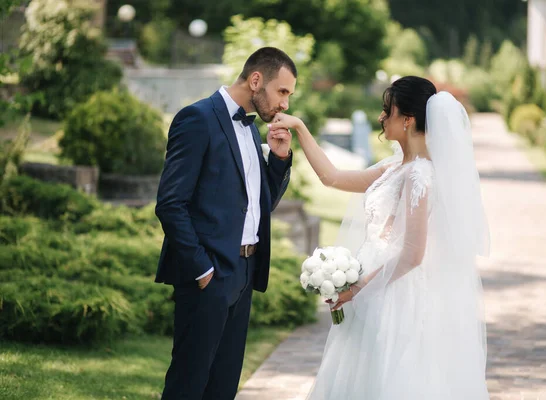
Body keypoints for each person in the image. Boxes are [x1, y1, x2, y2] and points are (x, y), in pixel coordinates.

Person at [268, 76, 490, 399]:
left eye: (388, 111)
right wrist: (300, 128)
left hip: (395, 297)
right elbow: (332, 177)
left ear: (408, 119)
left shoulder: (421, 174)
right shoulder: (396, 166)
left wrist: (357, 289)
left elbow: (413, 253)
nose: (381, 117)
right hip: (372, 287)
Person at [154, 47, 296, 400]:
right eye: (283, 92)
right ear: (256, 79)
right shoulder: (197, 118)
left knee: (223, 386)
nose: (285, 105)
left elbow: (259, 207)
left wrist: (278, 160)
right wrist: (202, 269)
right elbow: (171, 204)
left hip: (244, 274)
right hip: (209, 275)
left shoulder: (250, 129)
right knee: (189, 383)